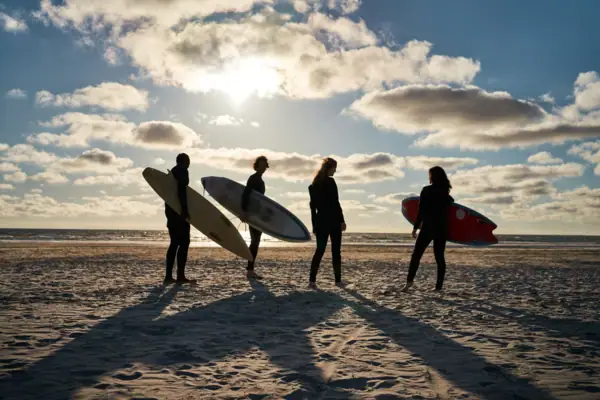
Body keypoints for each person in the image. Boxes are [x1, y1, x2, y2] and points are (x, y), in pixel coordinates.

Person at [401, 166, 454, 292]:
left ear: (432, 176)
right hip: (442, 227)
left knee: (416, 255)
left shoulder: (426, 190)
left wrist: (415, 227)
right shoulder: (445, 192)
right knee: (439, 257)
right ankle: (438, 287)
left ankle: (409, 282)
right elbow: (451, 205)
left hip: (428, 227)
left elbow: (421, 210)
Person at [308, 157, 346, 289]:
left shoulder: (314, 184)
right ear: (330, 168)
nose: (335, 171)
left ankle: (312, 281)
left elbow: (312, 207)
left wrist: (314, 224)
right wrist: (342, 220)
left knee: (320, 250)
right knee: (336, 251)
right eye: (334, 168)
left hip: (321, 221)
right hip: (333, 221)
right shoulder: (330, 182)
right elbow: (336, 202)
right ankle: (338, 280)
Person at [164, 153, 195, 285]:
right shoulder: (183, 171)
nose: (189, 163)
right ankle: (180, 276)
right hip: (179, 213)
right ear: (183, 161)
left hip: (170, 212)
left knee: (174, 243)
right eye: (188, 160)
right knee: (184, 242)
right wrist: (184, 210)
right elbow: (182, 191)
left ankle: (168, 277)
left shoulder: (171, 173)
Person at [241, 155, 269, 280]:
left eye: (265, 165)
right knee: (255, 241)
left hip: (257, 214)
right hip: (252, 214)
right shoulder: (253, 178)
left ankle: (250, 269)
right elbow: (245, 194)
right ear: (257, 166)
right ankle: (250, 270)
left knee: (255, 242)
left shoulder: (260, 180)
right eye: (261, 164)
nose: (263, 167)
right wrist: (244, 212)